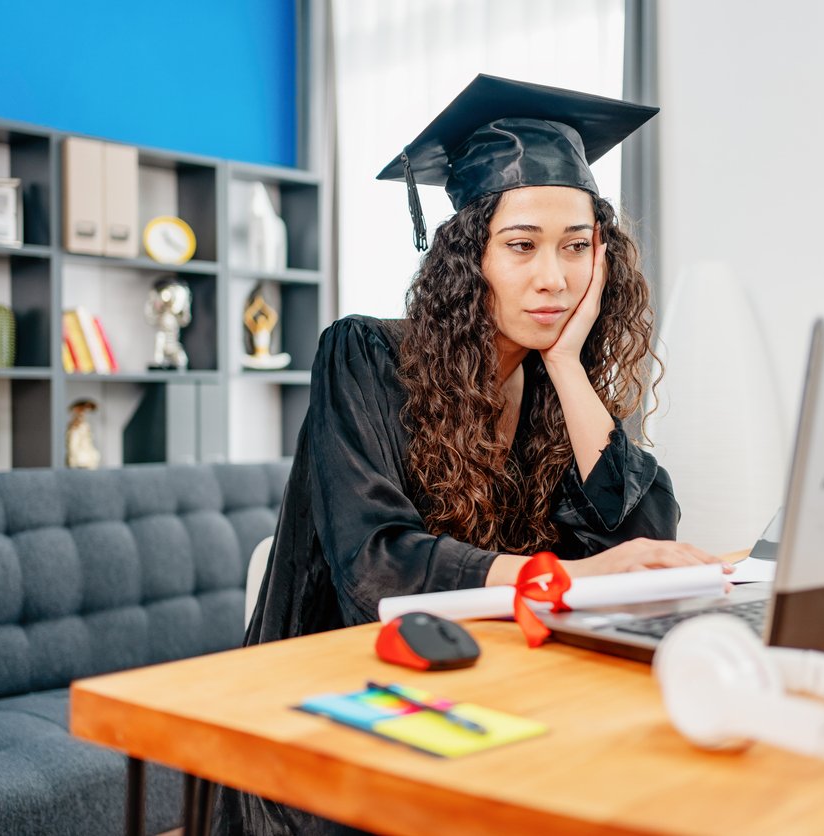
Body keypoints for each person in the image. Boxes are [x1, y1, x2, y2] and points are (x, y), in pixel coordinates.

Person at [215, 74, 728, 836]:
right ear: (467, 259)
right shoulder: (363, 355)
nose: (552, 277)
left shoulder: (558, 388)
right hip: (343, 713)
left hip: (491, 693)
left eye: (576, 247)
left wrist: (565, 363)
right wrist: (570, 576)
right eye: (521, 246)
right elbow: (376, 565)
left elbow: (641, 539)